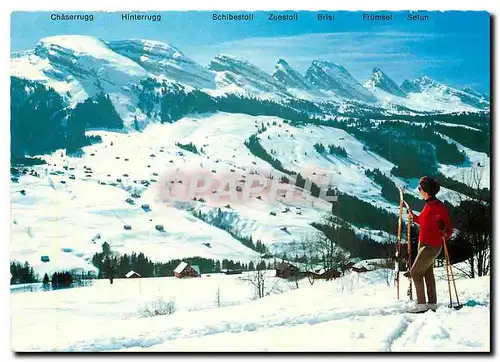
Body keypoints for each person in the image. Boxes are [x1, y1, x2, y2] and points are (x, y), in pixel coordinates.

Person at [404, 176, 453, 313]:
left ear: (426, 191)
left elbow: (449, 229)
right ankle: (431, 303)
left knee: (415, 272)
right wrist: (413, 217)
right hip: (424, 244)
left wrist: (445, 231)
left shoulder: (438, 206)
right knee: (427, 273)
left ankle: (421, 305)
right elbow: (424, 223)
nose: (418, 190)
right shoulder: (429, 204)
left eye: (420, 188)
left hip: (431, 246)